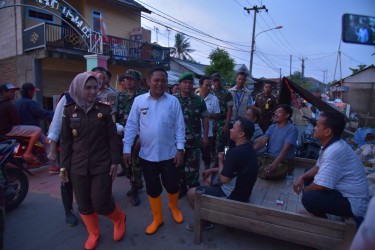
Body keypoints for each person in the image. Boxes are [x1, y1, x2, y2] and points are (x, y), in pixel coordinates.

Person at [60, 72, 126, 249]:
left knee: (101, 202)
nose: (92, 91)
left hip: (101, 164)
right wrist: (63, 167)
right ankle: (93, 232)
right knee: (84, 203)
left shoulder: (104, 110)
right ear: (78, 88)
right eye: (87, 87)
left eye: (95, 87)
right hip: (77, 166)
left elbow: (112, 137)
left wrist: (115, 161)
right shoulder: (69, 111)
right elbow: (66, 141)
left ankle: (119, 218)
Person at [123, 67, 185, 235]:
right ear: (149, 81)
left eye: (163, 80)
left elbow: (180, 127)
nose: (160, 83)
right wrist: (126, 148)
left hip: (169, 154)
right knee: (152, 188)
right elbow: (130, 126)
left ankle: (173, 207)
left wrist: (180, 149)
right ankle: (157, 218)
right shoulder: (139, 101)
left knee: (172, 186)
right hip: (147, 155)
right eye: (156, 80)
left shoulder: (173, 101)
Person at [293, 111, 369, 226]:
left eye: (318, 126)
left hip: (353, 203)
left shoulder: (334, 151)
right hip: (342, 192)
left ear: (327, 131)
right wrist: (301, 177)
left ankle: (319, 215)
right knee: (307, 174)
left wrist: (305, 191)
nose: (314, 128)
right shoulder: (330, 145)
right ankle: (317, 209)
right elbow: (318, 166)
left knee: (308, 197)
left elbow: (321, 185)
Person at [186, 117, 258, 231]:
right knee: (208, 177)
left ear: (241, 134)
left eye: (233, 128)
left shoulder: (235, 152)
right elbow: (233, 169)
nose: (230, 129)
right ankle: (210, 212)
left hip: (233, 196)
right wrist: (211, 170)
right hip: (244, 191)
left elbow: (223, 179)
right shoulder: (248, 148)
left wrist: (220, 161)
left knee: (191, 193)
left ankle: (205, 222)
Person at [46, 89, 78, 226]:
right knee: (66, 180)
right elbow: (56, 122)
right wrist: (53, 149)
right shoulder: (68, 97)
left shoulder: (96, 99)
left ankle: (87, 209)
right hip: (65, 149)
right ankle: (68, 211)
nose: (92, 89)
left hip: (85, 150)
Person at [174, 72, 209, 198]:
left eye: (190, 83)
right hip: (177, 141)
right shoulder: (173, 99)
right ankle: (182, 187)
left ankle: (193, 190)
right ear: (180, 84)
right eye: (185, 82)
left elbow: (205, 118)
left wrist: (205, 136)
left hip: (194, 140)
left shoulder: (199, 100)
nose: (188, 85)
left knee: (193, 166)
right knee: (178, 165)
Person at [115, 69, 146, 206]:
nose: (127, 81)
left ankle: (134, 188)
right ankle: (135, 183)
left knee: (136, 164)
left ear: (138, 82)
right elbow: (115, 115)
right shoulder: (120, 96)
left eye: (131, 79)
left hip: (138, 136)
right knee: (125, 163)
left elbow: (147, 118)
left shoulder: (144, 96)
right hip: (122, 135)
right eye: (126, 78)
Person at [0, 83, 42, 163]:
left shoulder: (11, 103)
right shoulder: (9, 104)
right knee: (37, 130)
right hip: (9, 130)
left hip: (3, 131)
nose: (13, 94)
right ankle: (28, 153)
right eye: (11, 92)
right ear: (4, 93)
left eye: (14, 92)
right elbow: (16, 121)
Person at [254, 104, 298, 180]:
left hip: (283, 161)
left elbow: (286, 149)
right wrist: (249, 150)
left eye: (279, 112)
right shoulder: (272, 127)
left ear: (287, 115)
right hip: (269, 158)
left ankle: (262, 170)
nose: (276, 114)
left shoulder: (292, 129)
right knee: (250, 163)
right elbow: (262, 142)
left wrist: (274, 164)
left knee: (270, 172)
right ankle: (261, 170)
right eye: (275, 112)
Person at [199, 76, 220, 170]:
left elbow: (217, 115)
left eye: (210, 85)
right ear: (200, 85)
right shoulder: (195, 98)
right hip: (195, 132)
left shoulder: (214, 99)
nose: (208, 87)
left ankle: (207, 171)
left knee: (207, 155)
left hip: (208, 133)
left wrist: (205, 116)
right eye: (206, 85)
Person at [211, 73, 233, 164]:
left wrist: (227, 125)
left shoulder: (227, 93)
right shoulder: (210, 92)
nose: (216, 82)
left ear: (221, 81)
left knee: (224, 143)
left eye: (217, 80)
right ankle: (215, 160)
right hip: (212, 121)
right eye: (214, 80)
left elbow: (230, 110)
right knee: (213, 142)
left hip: (223, 121)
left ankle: (225, 158)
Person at [229, 71, 253, 146]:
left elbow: (250, 107)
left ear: (245, 81)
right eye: (239, 79)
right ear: (236, 79)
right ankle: (228, 156)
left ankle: (238, 156)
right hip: (231, 121)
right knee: (229, 142)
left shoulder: (248, 92)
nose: (241, 81)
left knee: (240, 142)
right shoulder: (230, 92)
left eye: (243, 79)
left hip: (242, 123)